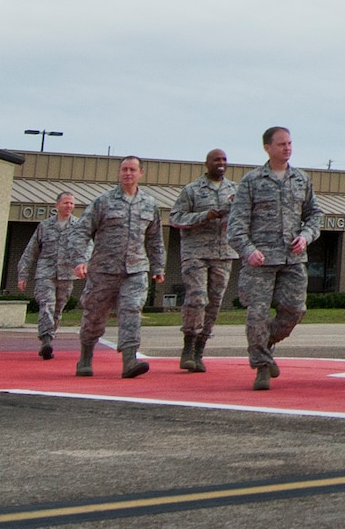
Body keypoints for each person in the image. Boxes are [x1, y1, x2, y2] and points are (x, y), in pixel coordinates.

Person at [226, 126, 321, 391]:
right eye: (281, 144)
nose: (287, 148)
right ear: (267, 147)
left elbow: (315, 214)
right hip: (260, 260)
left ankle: (264, 345)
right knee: (256, 315)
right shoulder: (252, 181)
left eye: (290, 143)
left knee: (295, 310)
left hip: (292, 258)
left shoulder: (301, 179)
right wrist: (248, 250)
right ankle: (262, 367)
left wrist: (306, 236)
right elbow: (235, 225)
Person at [74, 156, 166, 378]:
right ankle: (85, 356)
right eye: (124, 169)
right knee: (94, 315)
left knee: (131, 310)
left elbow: (155, 239)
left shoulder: (150, 204)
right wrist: (78, 259)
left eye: (132, 170)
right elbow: (82, 231)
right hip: (103, 270)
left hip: (135, 270)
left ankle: (130, 360)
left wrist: (158, 267)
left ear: (141, 173)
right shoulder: (103, 202)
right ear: (119, 172)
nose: (128, 173)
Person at [169, 148, 238, 372]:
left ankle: (200, 349)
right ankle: (188, 346)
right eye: (216, 159)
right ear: (207, 163)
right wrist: (203, 216)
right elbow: (176, 218)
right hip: (195, 253)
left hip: (223, 253)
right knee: (197, 298)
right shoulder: (192, 190)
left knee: (214, 303)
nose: (221, 163)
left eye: (224, 160)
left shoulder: (234, 190)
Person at [17, 193, 90, 358]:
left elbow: (88, 247)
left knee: (57, 309)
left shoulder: (79, 226)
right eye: (66, 203)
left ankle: (49, 337)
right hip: (46, 272)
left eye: (72, 203)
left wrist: (83, 264)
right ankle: (46, 339)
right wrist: (23, 275)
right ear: (57, 205)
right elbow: (30, 251)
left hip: (66, 274)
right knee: (46, 304)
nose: (69, 206)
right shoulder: (45, 226)